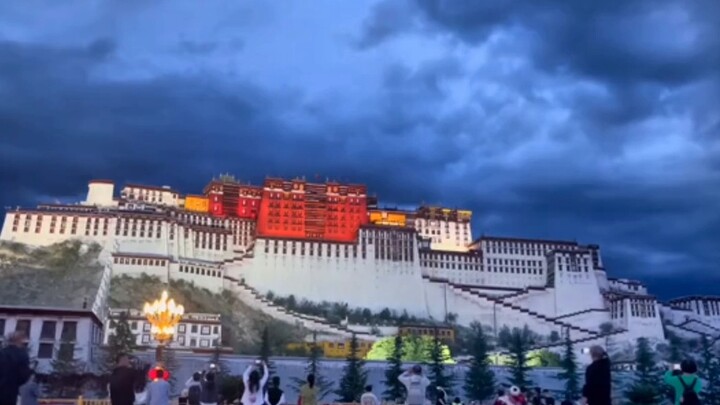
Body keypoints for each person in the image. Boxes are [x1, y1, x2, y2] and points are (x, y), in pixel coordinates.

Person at [0, 331, 32, 405]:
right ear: (19, 341)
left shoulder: (1, 353)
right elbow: (23, 377)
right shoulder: (22, 355)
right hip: (11, 392)